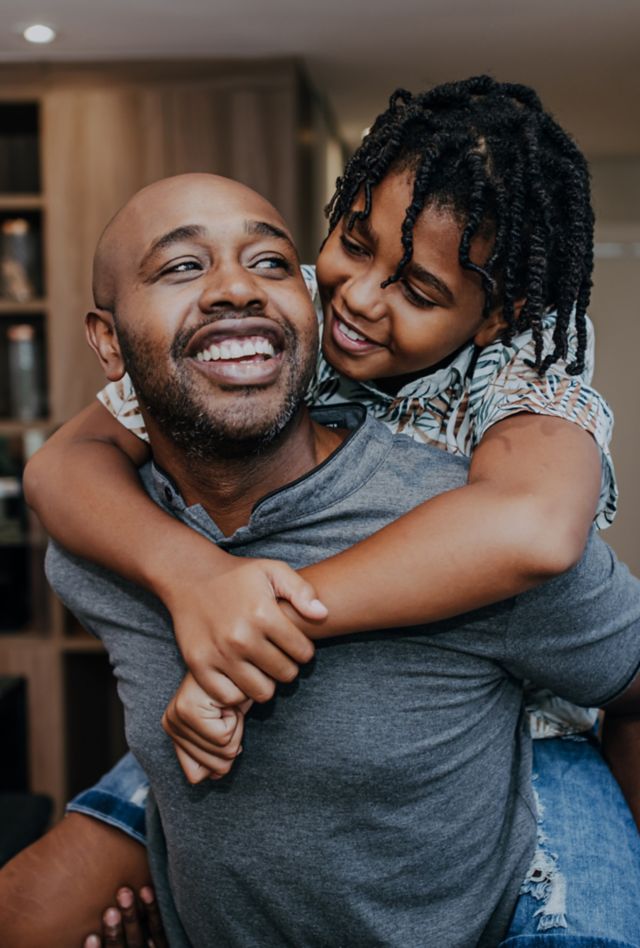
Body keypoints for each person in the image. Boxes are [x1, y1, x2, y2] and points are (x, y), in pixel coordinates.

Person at [12, 77, 638, 935]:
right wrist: (195, 579)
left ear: (496, 314)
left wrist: (259, 616)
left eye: (417, 292)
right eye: (351, 242)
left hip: (533, 730)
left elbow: (530, 528)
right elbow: (58, 469)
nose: (358, 298)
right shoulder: (280, 307)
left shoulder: (522, 379)